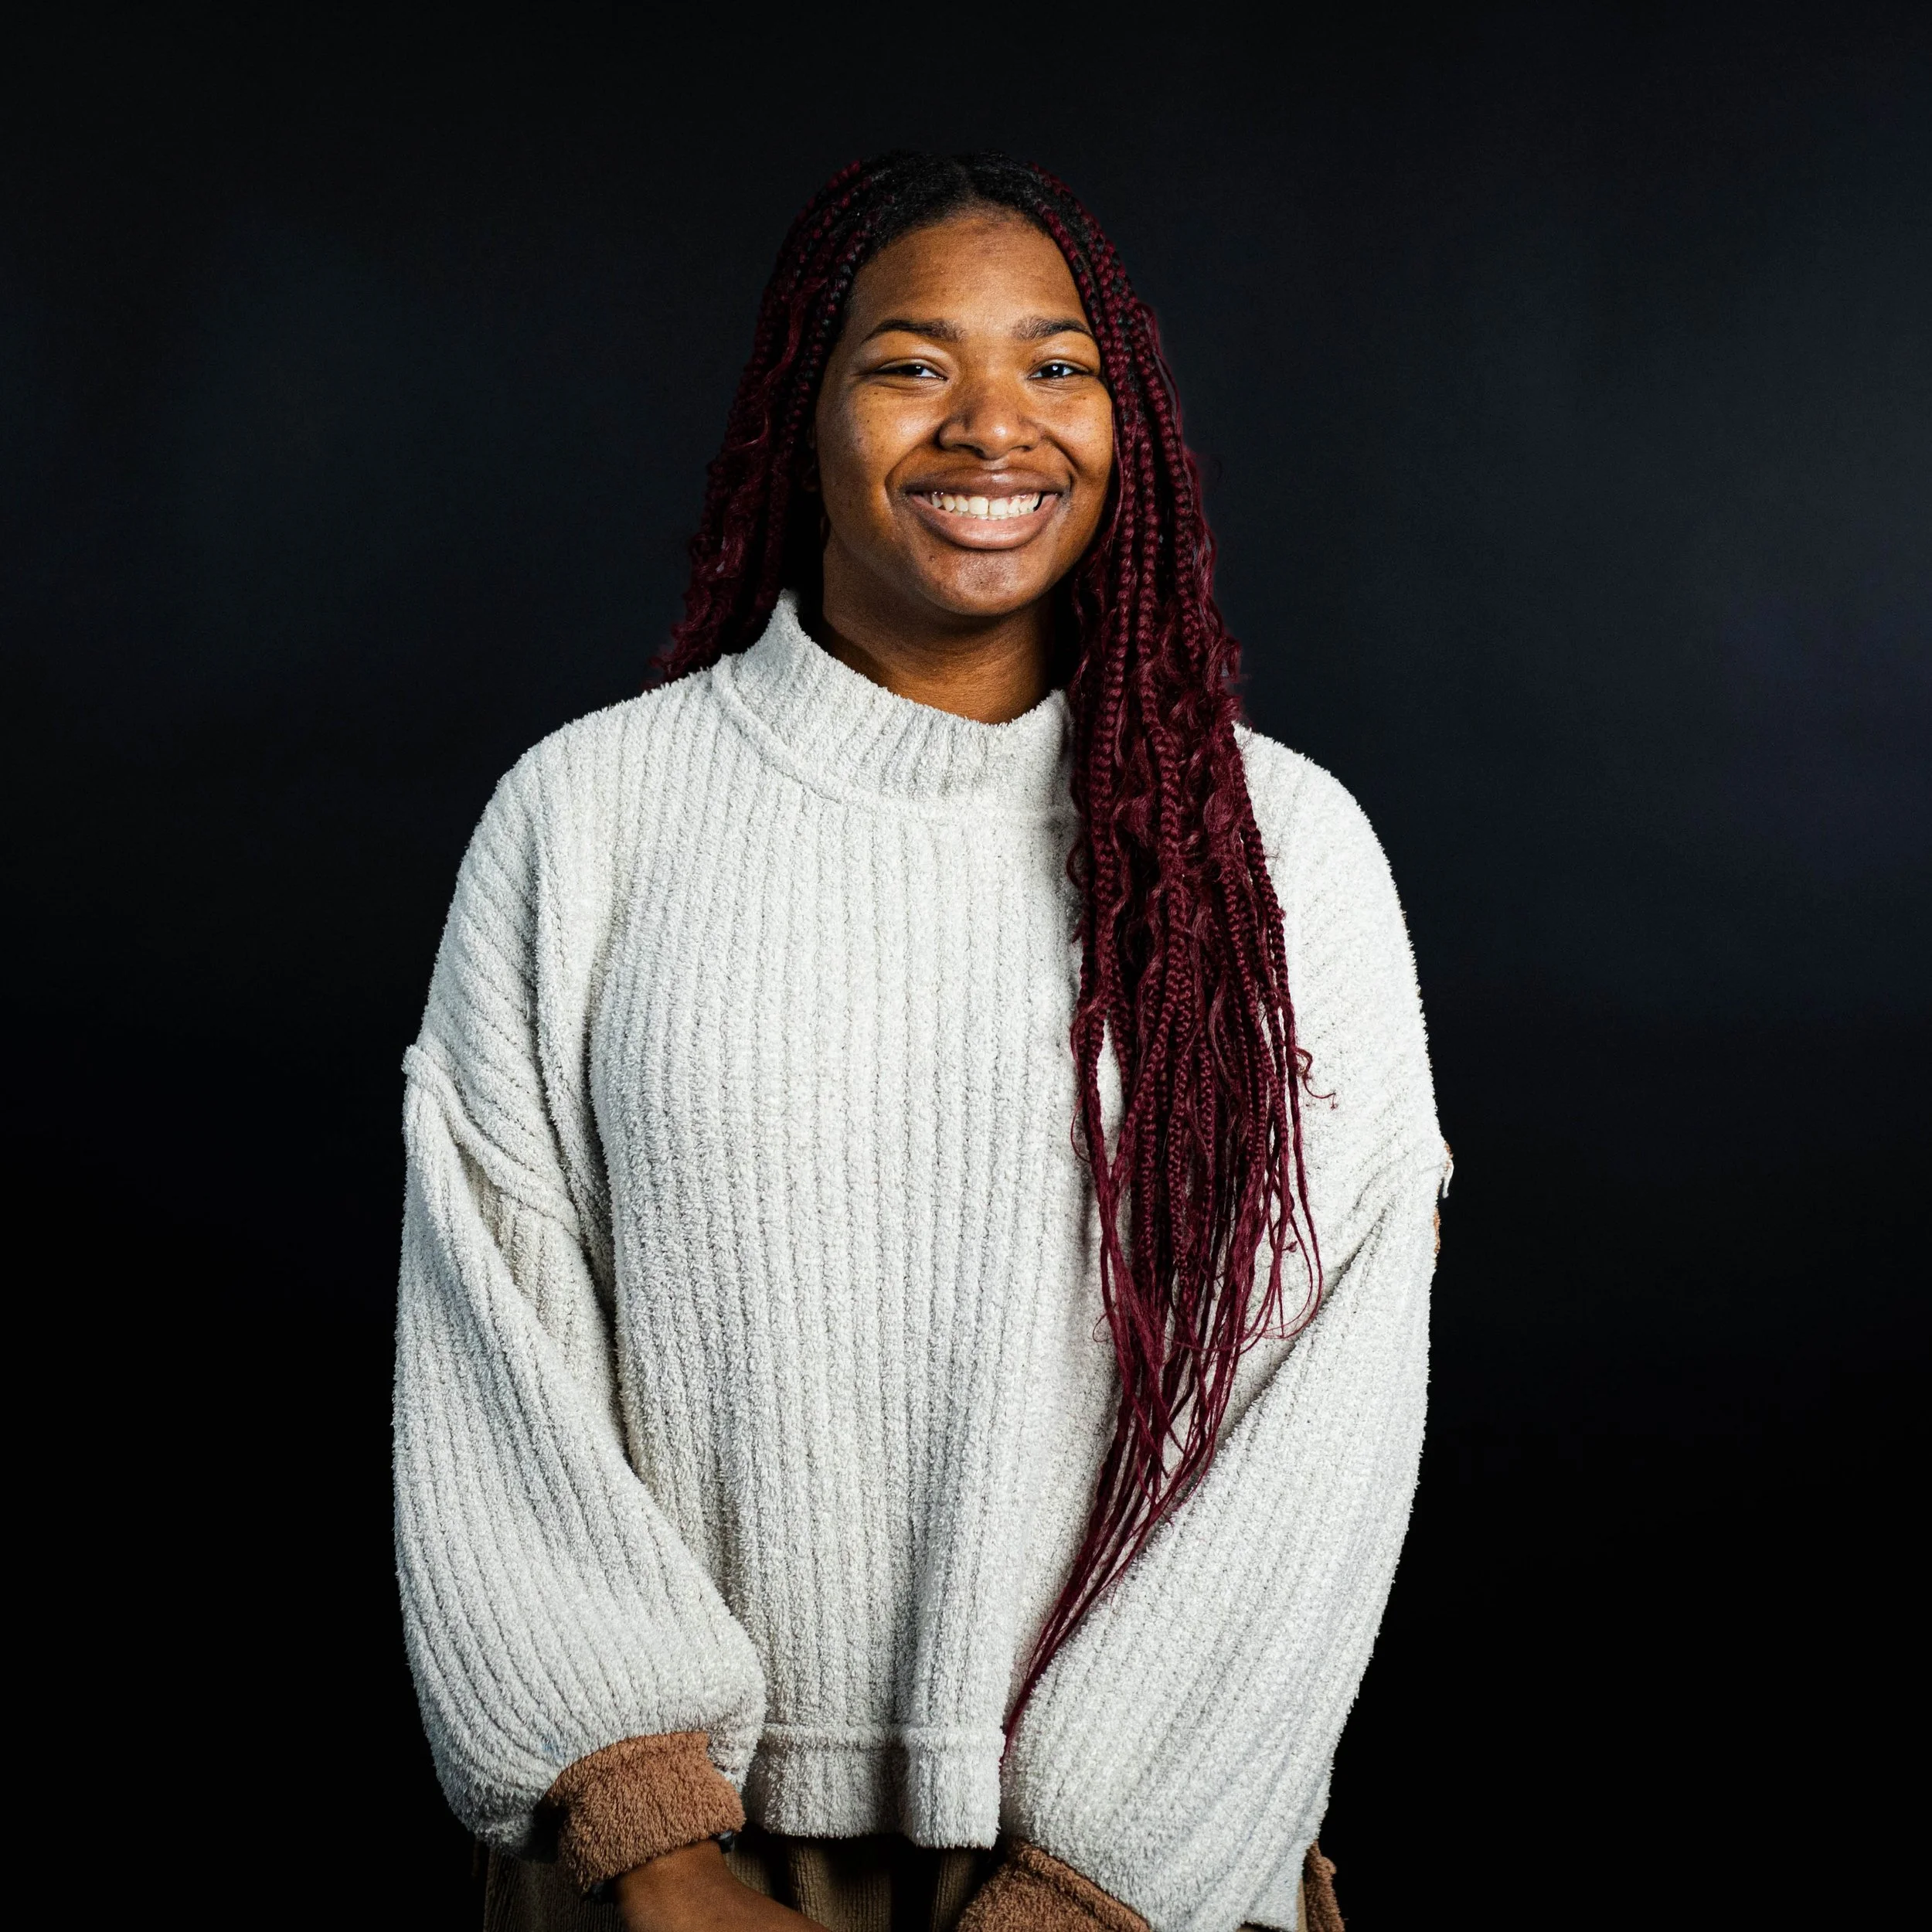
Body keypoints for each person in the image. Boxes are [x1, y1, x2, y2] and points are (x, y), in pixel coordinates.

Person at [394, 150, 1446, 1932]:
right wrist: (651, 1836)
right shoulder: (590, 817)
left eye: (1056, 366)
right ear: (794, 412)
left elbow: (1322, 1416)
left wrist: (1093, 1884)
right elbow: (488, 1330)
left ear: (1130, 428)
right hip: (671, 1869)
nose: (991, 427)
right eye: (908, 362)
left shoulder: (1276, 851)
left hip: (1144, 1877)